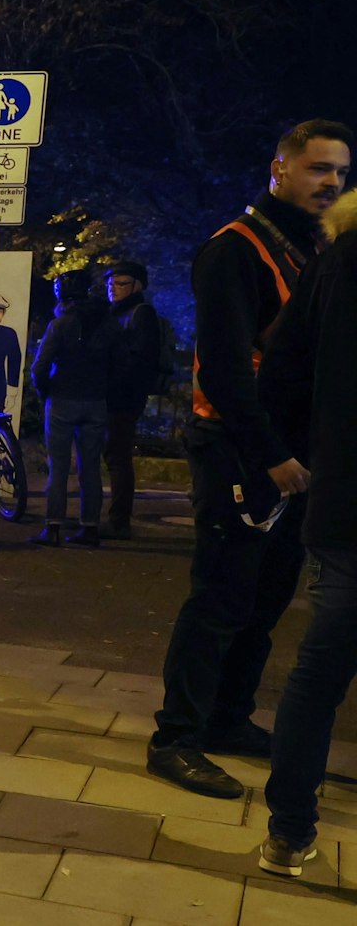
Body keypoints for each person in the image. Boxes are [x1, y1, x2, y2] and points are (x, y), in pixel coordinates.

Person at [149, 118, 350, 800]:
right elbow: (226, 373)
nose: (332, 183)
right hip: (239, 452)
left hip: (293, 457)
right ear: (280, 170)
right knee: (220, 596)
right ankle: (175, 736)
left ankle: (227, 718)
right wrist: (271, 456)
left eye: (342, 173)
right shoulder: (234, 251)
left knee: (265, 600)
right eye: (319, 168)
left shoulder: (317, 252)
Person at [256, 189, 357, 876]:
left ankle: (289, 833)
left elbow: (281, 363)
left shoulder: (339, 260)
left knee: (320, 672)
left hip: (348, 499)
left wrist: (307, 451)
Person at [28, 269, 118, 547]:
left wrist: (46, 392)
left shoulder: (60, 324)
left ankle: (52, 527)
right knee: (91, 467)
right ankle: (89, 528)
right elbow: (119, 365)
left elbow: (40, 367)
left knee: (59, 466)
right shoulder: (109, 324)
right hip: (96, 401)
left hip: (62, 400)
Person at [103, 262, 163, 539]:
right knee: (114, 454)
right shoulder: (120, 313)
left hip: (123, 397)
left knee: (118, 456)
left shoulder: (140, 314)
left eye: (120, 284)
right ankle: (115, 518)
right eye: (110, 284)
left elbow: (140, 360)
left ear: (137, 286)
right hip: (117, 394)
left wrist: (117, 384)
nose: (112, 289)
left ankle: (119, 521)